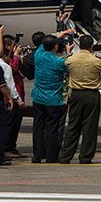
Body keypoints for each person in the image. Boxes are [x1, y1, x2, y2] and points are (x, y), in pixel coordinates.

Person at [59, 34, 101, 164]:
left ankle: (66, 156)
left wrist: (68, 52)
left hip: (76, 94)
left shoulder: (71, 59)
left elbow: (65, 63)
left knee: (73, 125)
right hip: (91, 95)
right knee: (90, 127)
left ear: (79, 45)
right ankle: (85, 157)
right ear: (91, 46)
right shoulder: (95, 60)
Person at [32, 34, 69, 163]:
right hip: (53, 98)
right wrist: (68, 52)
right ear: (55, 47)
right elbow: (69, 65)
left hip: (38, 97)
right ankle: (51, 155)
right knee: (52, 128)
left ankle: (37, 155)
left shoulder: (38, 55)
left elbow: (43, 45)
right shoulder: (58, 61)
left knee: (38, 127)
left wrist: (57, 34)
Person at [1, 33, 26, 158]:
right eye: (13, 45)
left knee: (16, 124)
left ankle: (11, 146)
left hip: (18, 96)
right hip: (10, 98)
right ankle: (6, 148)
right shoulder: (5, 61)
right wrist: (16, 56)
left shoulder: (11, 58)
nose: (15, 47)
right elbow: (11, 70)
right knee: (9, 125)